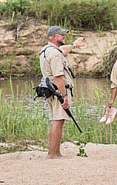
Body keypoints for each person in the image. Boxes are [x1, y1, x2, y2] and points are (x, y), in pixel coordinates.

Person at [39, 26, 84, 159]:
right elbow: (58, 77)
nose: (64, 36)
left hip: (52, 90)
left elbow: (63, 50)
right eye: (61, 35)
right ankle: (52, 154)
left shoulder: (48, 50)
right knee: (58, 122)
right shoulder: (54, 54)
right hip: (58, 91)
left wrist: (74, 45)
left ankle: (56, 153)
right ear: (54, 37)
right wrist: (64, 96)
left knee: (59, 121)